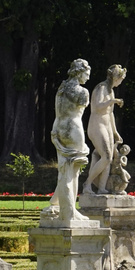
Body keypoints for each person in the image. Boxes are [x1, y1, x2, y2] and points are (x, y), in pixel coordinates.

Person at [44, 59, 92, 223]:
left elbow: (58, 111)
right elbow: (80, 111)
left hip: (58, 128)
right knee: (72, 172)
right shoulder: (83, 92)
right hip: (73, 129)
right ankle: (70, 211)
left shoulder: (62, 87)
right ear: (80, 72)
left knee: (65, 170)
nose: (87, 78)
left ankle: (57, 204)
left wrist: (54, 132)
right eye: (86, 74)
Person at [83, 64, 126, 194]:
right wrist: (113, 101)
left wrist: (115, 131)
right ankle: (87, 184)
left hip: (106, 125)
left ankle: (101, 188)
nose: (121, 81)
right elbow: (98, 106)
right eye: (121, 78)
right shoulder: (101, 88)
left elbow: (110, 114)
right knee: (106, 157)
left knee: (108, 158)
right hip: (97, 125)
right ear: (116, 77)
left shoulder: (110, 90)